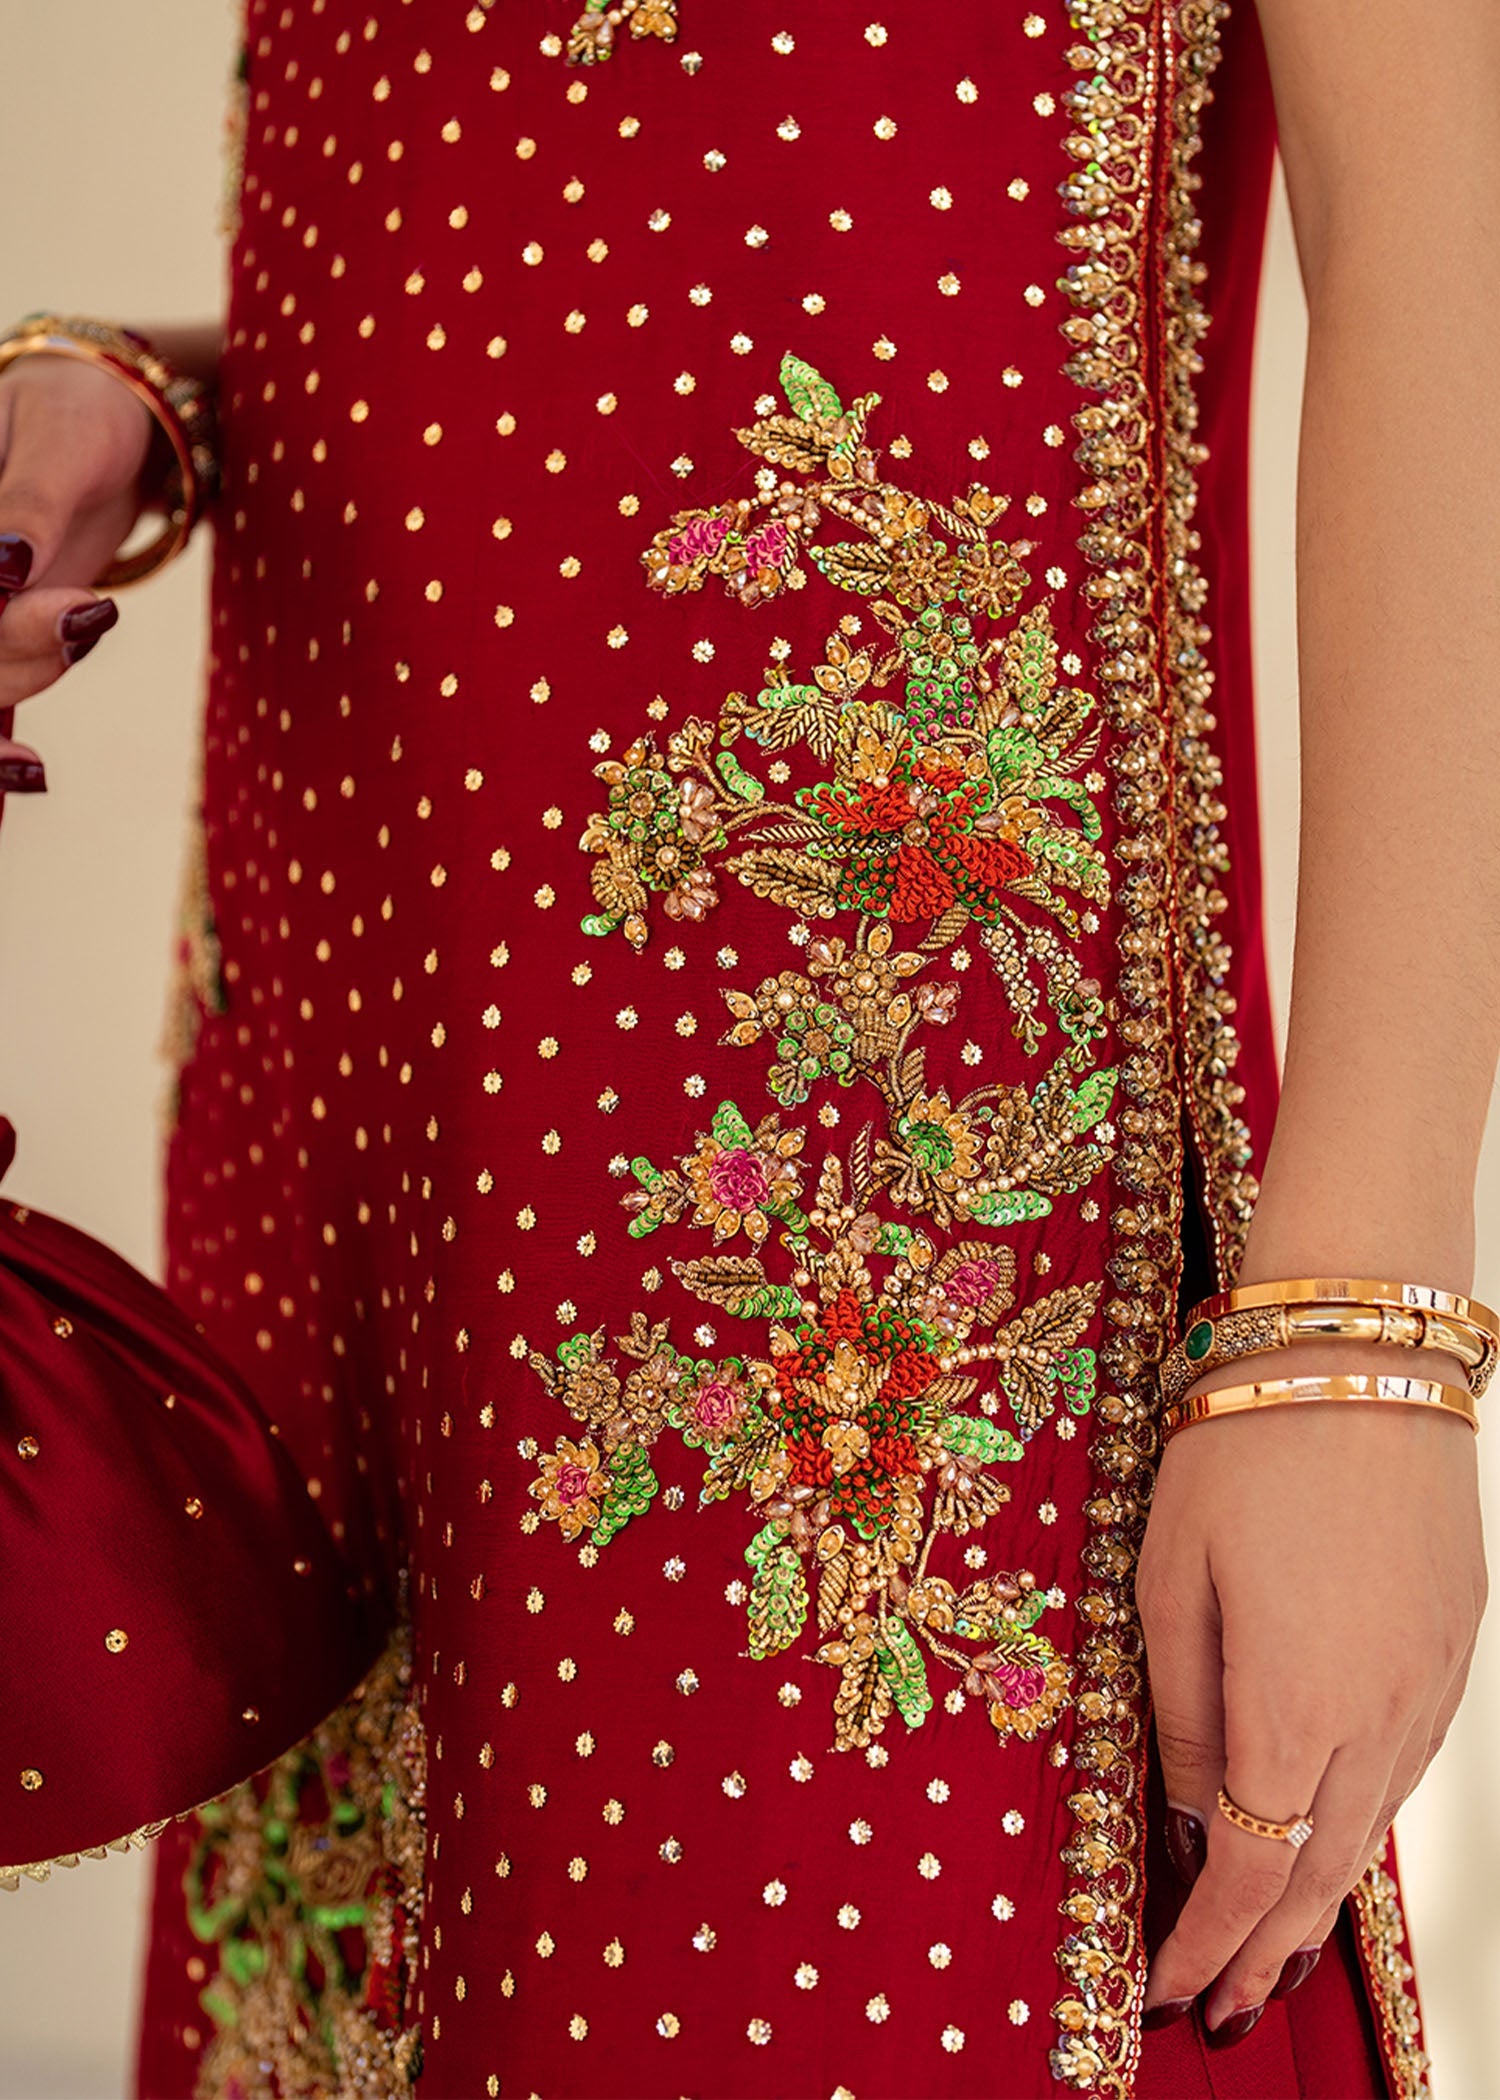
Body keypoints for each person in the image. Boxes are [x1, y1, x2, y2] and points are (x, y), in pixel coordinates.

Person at [0, 2, 1492, 2095]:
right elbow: (594, 192)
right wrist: (155, 399)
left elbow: (1441, 240)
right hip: (374, 1127)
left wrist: (1363, 1338)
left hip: (872, 1227)